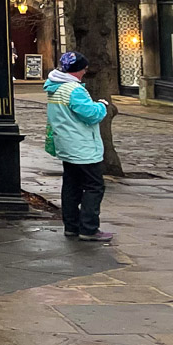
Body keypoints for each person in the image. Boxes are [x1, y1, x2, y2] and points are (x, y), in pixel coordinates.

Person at [45, 50, 114, 243]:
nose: (85, 72)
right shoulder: (74, 90)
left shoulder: (55, 88)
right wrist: (101, 104)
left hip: (66, 145)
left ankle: (71, 226)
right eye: (83, 69)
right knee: (94, 186)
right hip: (82, 147)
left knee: (71, 186)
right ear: (76, 70)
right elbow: (91, 114)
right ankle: (89, 228)